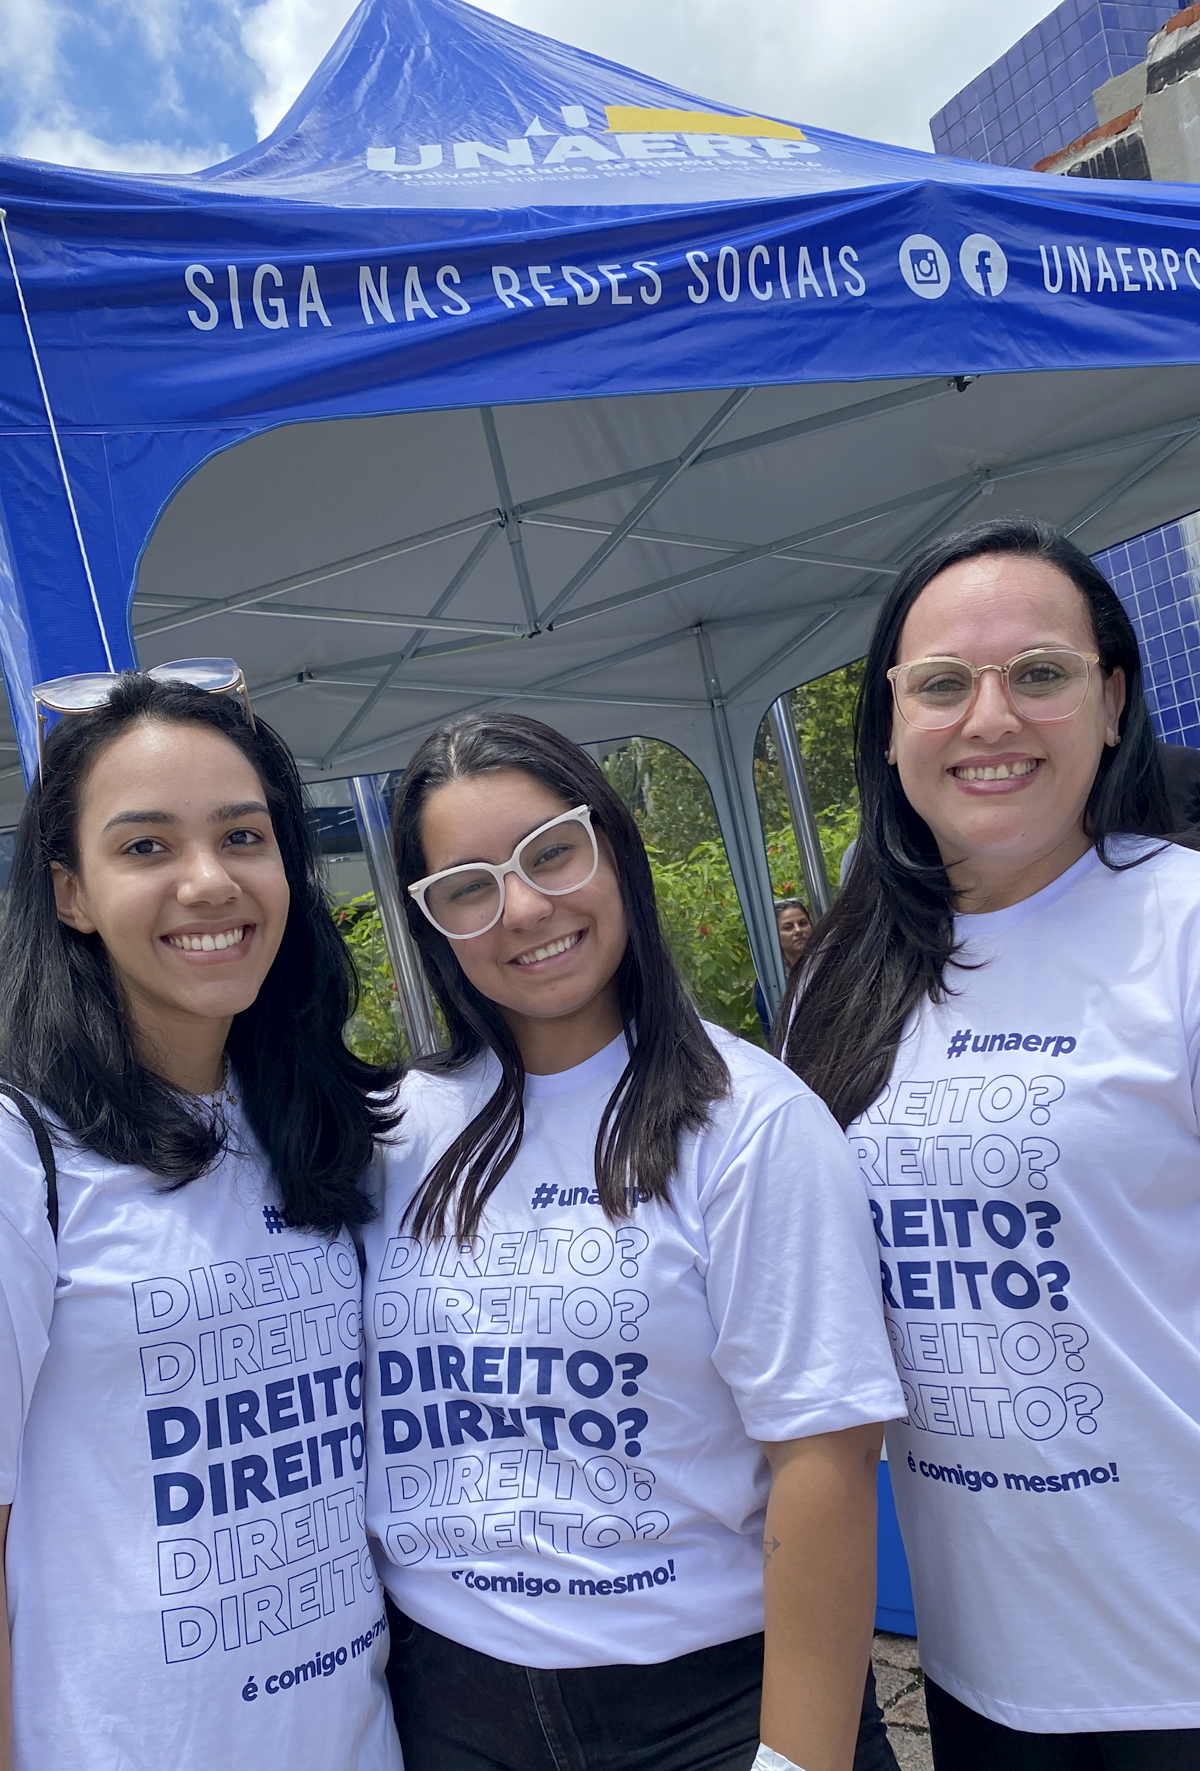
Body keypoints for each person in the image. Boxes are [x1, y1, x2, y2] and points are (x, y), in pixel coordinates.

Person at [363, 712, 903, 1771]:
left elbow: (826, 1457)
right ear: (431, 923)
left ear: (613, 845)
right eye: (468, 886)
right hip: (451, 1704)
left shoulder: (748, 1121)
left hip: (705, 1711)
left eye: (550, 851)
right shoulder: (396, 1131)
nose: (525, 907)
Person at [780, 515, 1200, 1768]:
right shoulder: (843, 977)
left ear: (1112, 701)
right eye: (944, 685)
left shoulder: (1179, 924)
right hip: (983, 1668)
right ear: (890, 723)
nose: (991, 718)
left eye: (1040, 673)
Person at [0, 668, 403, 1771]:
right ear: (71, 894)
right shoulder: (24, 1151)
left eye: (242, 836)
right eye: (145, 846)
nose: (209, 881)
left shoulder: (319, 1123)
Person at [754, 901, 813, 1039]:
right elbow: (774, 1034)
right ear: (775, 937)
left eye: (803, 923)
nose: (798, 931)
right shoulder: (770, 983)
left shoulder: (830, 964)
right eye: (788, 927)